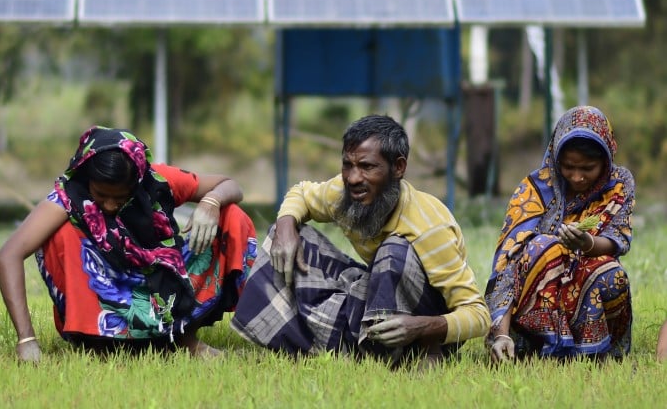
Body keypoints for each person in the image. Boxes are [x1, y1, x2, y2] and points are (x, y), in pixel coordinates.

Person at [230, 114, 488, 366]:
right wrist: (286, 226)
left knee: (393, 251)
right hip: (379, 297)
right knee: (286, 233)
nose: (353, 178)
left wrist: (422, 327)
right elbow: (301, 193)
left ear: (398, 168)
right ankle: (355, 347)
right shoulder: (344, 193)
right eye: (347, 165)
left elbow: (478, 314)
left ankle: (412, 352)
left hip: (425, 323)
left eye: (367, 166)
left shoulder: (430, 225)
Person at [0, 126, 258, 362]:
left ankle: (182, 339)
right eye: (101, 195)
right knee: (60, 232)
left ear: (138, 181)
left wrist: (211, 202)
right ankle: (100, 344)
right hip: (107, 298)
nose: (109, 205)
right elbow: (8, 255)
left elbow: (230, 185)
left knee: (232, 215)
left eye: (120, 197)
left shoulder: (156, 180)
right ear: (87, 179)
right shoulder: (67, 196)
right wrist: (26, 340)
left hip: (161, 288)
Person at [486, 105, 633, 362]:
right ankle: (538, 346)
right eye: (567, 167)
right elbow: (507, 263)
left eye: (587, 168)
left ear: (606, 160)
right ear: (555, 158)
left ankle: (594, 352)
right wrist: (501, 333)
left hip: (586, 290)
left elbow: (616, 239)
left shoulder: (618, 185)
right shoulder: (534, 189)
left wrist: (587, 243)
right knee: (545, 247)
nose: (577, 177)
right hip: (536, 297)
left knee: (612, 274)